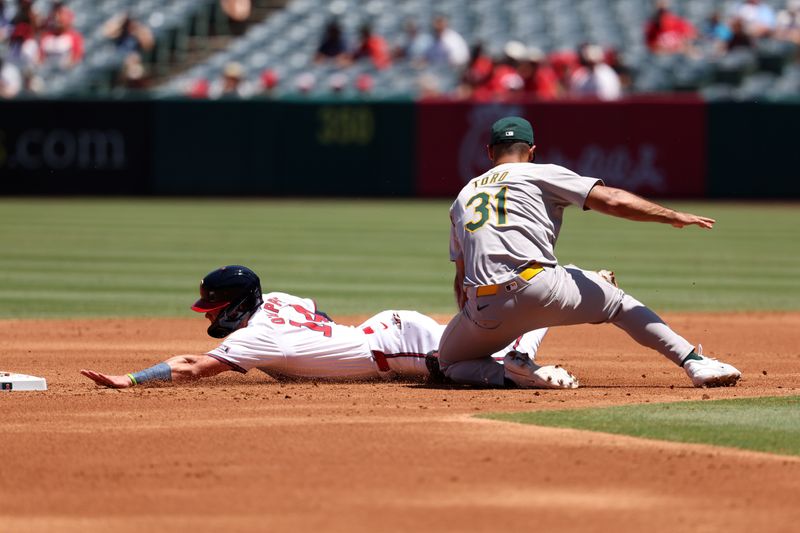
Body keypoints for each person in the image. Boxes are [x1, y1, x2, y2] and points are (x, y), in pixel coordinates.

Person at [437, 116, 741, 390]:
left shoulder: (464, 195)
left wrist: (483, 324)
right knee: (618, 303)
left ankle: (510, 375)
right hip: (542, 286)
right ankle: (694, 362)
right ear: (531, 151)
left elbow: (461, 280)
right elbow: (611, 200)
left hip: (485, 304)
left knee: (449, 363)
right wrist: (669, 215)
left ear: (490, 152)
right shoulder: (540, 173)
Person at [80, 265, 569, 389]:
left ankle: (530, 335)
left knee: (466, 367)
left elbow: (190, 366)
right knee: (469, 348)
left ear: (234, 306)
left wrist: (134, 378)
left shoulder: (255, 336)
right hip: (384, 330)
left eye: (212, 307)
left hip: (394, 345)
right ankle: (528, 331)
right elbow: (321, 319)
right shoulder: (276, 302)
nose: (208, 314)